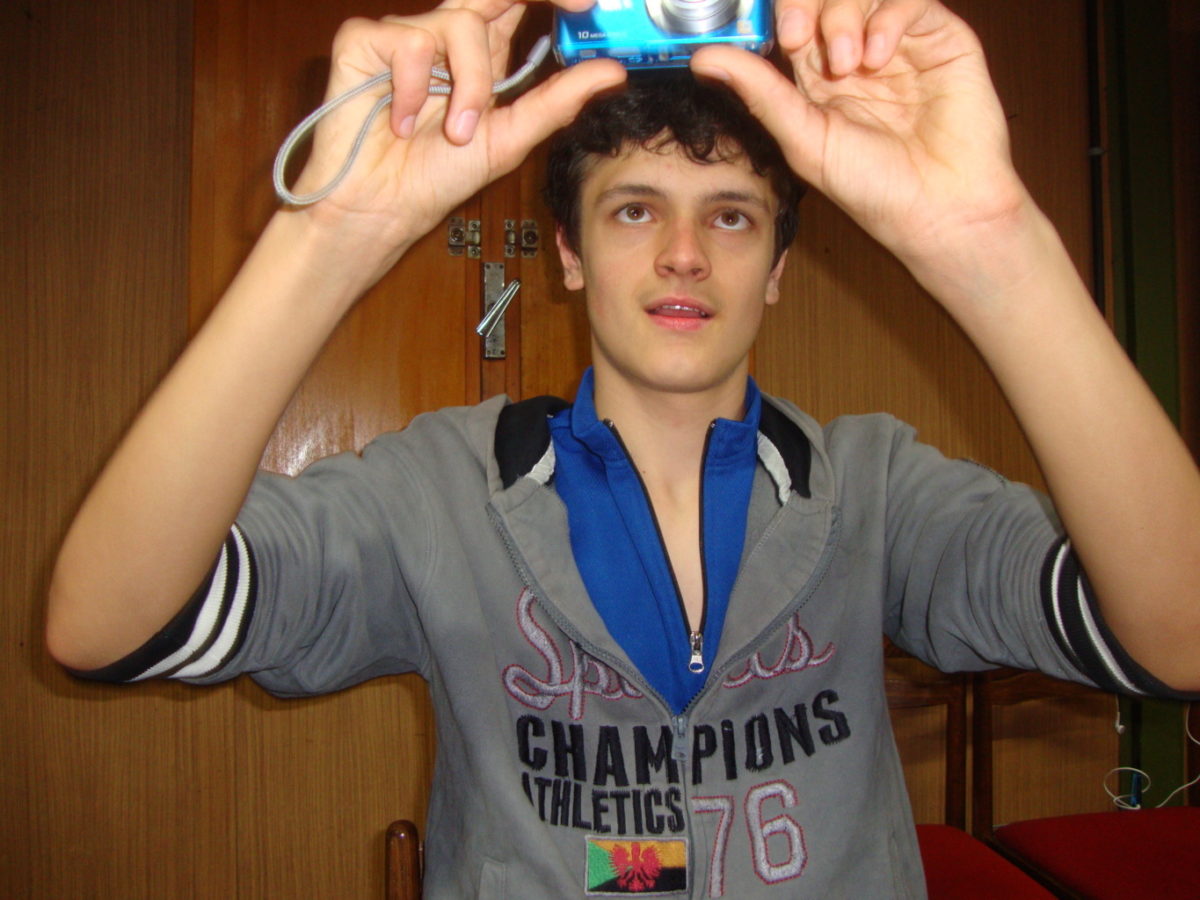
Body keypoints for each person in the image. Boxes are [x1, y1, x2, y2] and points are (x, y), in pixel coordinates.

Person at [46, 0, 1200, 896]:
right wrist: (332, 235)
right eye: (635, 208)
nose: (685, 252)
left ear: (779, 268)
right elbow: (113, 626)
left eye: (731, 214)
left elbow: (1181, 636)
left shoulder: (878, 489)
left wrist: (991, 243)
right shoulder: (438, 493)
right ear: (568, 253)